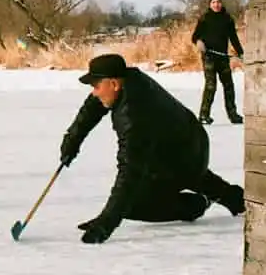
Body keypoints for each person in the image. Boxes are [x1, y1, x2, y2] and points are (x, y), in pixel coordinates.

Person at [59, 53, 245, 244]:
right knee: (189, 174)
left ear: (114, 84)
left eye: (96, 86)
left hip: (181, 154)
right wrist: (72, 142)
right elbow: (93, 106)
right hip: (185, 143)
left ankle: (193, 205)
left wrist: (105, 223)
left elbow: (129, 171)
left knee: (133, 204)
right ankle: (235, 199)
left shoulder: (133, 115)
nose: (95, 92)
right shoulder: (125, 80)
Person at [190, 0, 245, 124]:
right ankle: (204, 115)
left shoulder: (227, 19)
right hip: (209, 57)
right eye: (213, 2)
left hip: (223, 58)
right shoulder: (204, 18)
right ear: (210, 5)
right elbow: (195, 36)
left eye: (218, 2)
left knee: (229, 86)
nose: (216, 4)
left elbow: (233, 38)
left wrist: (241, 53)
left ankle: (233, 115)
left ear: (221, 4)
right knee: (211, 86)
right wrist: (199, 43)